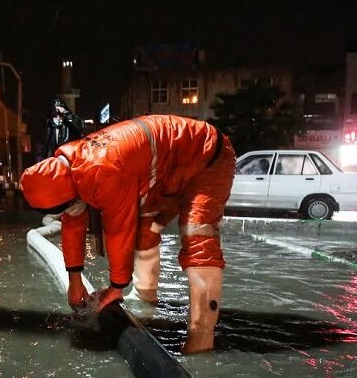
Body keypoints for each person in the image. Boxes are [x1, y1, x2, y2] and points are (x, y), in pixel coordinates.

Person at [20, 114, 236, 354]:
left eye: (64, 209)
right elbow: (73, 223)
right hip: (168, 168)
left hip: (208, 155)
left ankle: (201, 337)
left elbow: (119, 230)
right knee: (146, 229)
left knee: (198, 237)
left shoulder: (103, 170)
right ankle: (144, 296)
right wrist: (75, 281)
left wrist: (115, 289)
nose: (67, 214)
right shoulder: (69, 169)